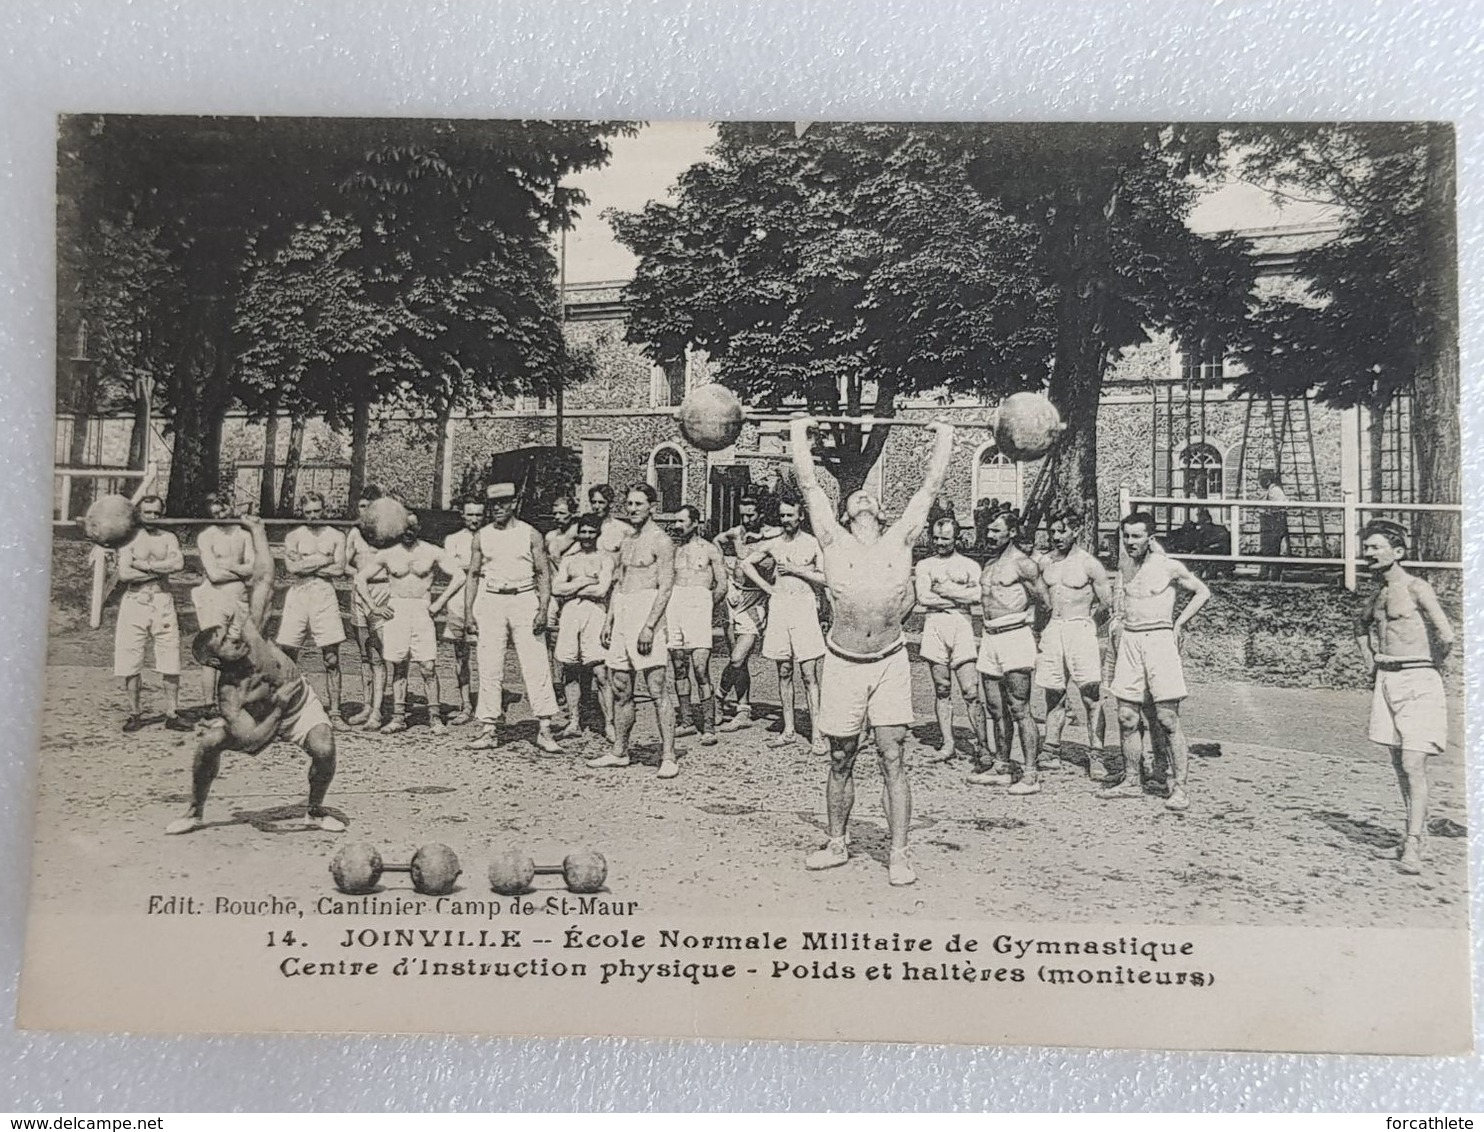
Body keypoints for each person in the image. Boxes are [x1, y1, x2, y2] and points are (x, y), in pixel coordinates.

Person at [792, 416, 954, 887]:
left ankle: (899, 853)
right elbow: (807, 481)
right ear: (844, 513)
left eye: (870, 497)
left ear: (882, 512)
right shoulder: (831, 538)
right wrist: (800, 433)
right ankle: (837, 842)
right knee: (841, 757)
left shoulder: (900, 538)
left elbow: (929, 487)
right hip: (842, 662)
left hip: (889, 662)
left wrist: (944, 437)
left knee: (893, 756)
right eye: (855, 496)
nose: (863, 497)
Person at [167, 514, 345, 835]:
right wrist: (276, 706)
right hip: (261, 717)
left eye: (226, 632)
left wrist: (258, 532)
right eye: (224, 642)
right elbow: (253, 740)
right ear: (217, 663)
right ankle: (194, 811)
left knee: (325, 747)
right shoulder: (230, 696)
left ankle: (315, 811)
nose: (233, 638)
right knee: (209, 743)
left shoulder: (250, 633)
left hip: (297, 704)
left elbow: (264, 579)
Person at [1355, 519, 1454, 876]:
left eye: (1375, 547)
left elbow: (1446, 635)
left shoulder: (1416, 588)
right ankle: (1414, 832)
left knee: (1414, 763)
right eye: (1366, 548)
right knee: (1399, 764)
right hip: (1386, 680)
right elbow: (1360, 627)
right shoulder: (1376, 593)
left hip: (1418, 679)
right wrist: (1371, 664)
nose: (1368, 553)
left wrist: (1428, 669)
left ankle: (1413, 843)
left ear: (1397, 552)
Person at [1100, 512, 1210, 811]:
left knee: (1167, 718)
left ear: (1150, 538)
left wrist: (1179, 624)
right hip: (1131, 642)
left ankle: (1180, 787)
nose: (1130, 542)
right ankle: (1132, 780)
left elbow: (1202, 592)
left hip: (1159, 641)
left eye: (1136, 536)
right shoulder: (1124, 564)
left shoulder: (1167, 566)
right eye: (1126, 536)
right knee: (1126, 717)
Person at [587, 483, 679, 779]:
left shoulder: (661, 541)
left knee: (656, 688)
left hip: (646, 612)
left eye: (639, 504)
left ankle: (668, 756)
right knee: (620, 688)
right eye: (629, 504)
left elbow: (665, 587)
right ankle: (619, 752)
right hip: (623, 612)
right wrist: (608, 621)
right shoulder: (626, 540)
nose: (633, 509)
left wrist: (650, 627)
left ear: (652, 506)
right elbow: (619, 584)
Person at [463, 482, 561, 753]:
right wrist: (469, 611)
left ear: (514, 503)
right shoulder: (482, 535)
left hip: (524, 598)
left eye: (504, 503)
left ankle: (544, 728)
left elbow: (543, 573)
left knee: (535, 661)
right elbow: (472, 575)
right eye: (494, 504)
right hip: (491, 598)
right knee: (489, 662)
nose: (498, 508)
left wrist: (543, 608)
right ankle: (488, 728)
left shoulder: (530, 534)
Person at [354, 513, 466, 734]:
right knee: (398, 665)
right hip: (397, 610)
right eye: (404, 527)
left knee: (428, 667)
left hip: (422, 610)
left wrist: (439, 603)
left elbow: (460, 575)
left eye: (412, 526)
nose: (408, 531)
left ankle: (434, 717)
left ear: (419, 527)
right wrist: (375, 607)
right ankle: (398, 717)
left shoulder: (431, 551)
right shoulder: (388, 554)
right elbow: (360, 579)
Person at [973, 509, 1052, 795]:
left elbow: (1045, 602)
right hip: (990, 638)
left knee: (1019, 707)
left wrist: (1033, 632)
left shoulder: (1024, 564)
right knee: (995, 707)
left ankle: (1031, 773)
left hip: (1015, 638)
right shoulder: (990, 564)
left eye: (996, 530)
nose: (990, 535)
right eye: (988, 530)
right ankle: (1002, 766)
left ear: (1012, 532)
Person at [743, 495, 828, 754]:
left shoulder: (813, 544)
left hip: (804, 609)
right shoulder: (774, 543)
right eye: (782, 515)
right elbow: (746, 564)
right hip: (781, 608)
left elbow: (825, 578)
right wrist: (768, 588)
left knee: (809, 674)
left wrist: (795, 570)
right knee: (784, 671)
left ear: (800, 516)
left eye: (790, 515)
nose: (786, 520)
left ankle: (818, 734)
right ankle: (789, 729)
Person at [1035, 507, 1114, 780]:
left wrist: (1088, 624)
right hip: (1053, 629)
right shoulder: (1045, 563)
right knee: (1054, 692)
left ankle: (1096, 755)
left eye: (1062, 531)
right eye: (1052, 531)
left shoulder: (1089, 564)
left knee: (1091, 695)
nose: (1056, 536)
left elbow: (1107, 603)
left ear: (1076, 530)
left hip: (1080, 628)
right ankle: (1051, 749)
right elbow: (1039, 603)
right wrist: (1039, 632)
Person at [913, 516, 987, 765]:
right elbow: (924, 597)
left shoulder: (969, 565)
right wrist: (959, 598)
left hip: (961, 625)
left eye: (945, 538)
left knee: (970, 690)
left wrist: (947, 592)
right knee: (942, 688)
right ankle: (948, 744)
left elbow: (979, 595)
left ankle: (983, 746)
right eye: (936, 538)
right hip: (934, 625)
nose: (940, 543)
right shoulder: (925, 565)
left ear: (957, 538)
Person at [115, 493, 189, 732]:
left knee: (170, 655)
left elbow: (178, 565)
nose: (152, 517)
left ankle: (172, 712)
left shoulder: (169, 538)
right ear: (139, 513)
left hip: (162, 599)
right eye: (148, 512)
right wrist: (160, 569)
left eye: (157, 512)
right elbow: (125, 574)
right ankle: (135, 713)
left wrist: (144, 565)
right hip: (135, 600)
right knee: (130, 658)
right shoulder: (128, 538)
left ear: (162, 513)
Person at [276, 492, 348, 727]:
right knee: (288, 656)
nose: (313, 517)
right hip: (299, 595)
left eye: (317, 511)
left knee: (331, 658)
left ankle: (335, 713)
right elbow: (292, 569)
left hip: (324, 594)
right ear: (302, 512)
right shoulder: (294, 536)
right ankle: (289, 712)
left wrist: (307, 564)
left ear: (324, 509)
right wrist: (325, 560)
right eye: (308, 513)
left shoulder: (336, 536)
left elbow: (339, 570)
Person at [714, 493, 778, 731]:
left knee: (737, 657)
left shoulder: (773, 536)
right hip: (734, 597)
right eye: (743, 514)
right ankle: (743, 709)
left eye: (751, 514)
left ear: (761, 514)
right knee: (739, 662)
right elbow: (717, 542)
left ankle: (718, 698)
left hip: (756, 600)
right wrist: (724, 572)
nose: (746, 519)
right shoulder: (736, 533)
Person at [551, 514, 616, 740]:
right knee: (570, 668)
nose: (587, 536)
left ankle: (609, 723)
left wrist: (572, 587)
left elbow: (602, 590)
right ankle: (574, 720)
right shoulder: (569, 560)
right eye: (583, 532)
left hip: (595, 612)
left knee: (600, 671)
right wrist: (585, 581)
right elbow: (556, 589)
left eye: (591, 532)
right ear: (577, 533)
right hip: (570, 613)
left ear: (598, 533)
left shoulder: (605, 559)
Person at [189, 491, 254, 713]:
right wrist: (240, 570)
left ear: (231, 505)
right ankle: (209, 705)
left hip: (239, 597)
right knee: (213, 651)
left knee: (236, 650)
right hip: (214, 596)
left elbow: (253, 569)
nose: (220, 516)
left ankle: (232, 703)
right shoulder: (206, 536)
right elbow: (214, 575)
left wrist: (230, 568)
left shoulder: (244, 535)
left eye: (223, 510)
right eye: (215, 513)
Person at [667, 504, 726, 746]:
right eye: (676, 522)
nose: (677, 526)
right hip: (676, 606)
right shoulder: (672, 551)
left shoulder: (710, 550)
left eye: (682, 521)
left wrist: (706, 606)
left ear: (695, 523)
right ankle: (687, 721)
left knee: (700, 668)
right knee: (679, 666)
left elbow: (722, 584)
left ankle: (709, 726)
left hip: (699, 607)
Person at [344, 485, 389, 730]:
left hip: (382, 592)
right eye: (360, 507)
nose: (364, 512)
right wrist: (359, 574)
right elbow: (343, 563)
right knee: (364, 654)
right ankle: (366, 705)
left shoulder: (388, 532)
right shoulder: (354, 533)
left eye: (368, 507)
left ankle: (378, 711)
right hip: (359, 593)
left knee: (379, 654)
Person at [440, 497, 485, 723]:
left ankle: (488, 706)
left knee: (486, 654)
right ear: (463, 515)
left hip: (484, 601)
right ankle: (465, 704)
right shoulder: (453, 540)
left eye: (478, 514)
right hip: (458, 601)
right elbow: (452, 569)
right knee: (461, 655)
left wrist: (469, 568)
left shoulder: (490, 537)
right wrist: (475, 567)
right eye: (470, 514)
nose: (474, 519)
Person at [545, 495, 581, 714]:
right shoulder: (550, 536)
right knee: (551, 639)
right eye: (555, 512)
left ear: (572, 513)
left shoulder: (579, 536)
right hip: (553, 592)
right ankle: (556, 685)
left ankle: (574, 688)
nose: (557, 517)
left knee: (571, 641)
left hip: (573, 592)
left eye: (562, 513)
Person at [1258, 470, 1289, 581]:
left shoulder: (1274, 491)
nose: (1259, 482)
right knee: (1268, 549)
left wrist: (1267, 512)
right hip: (1271, 523)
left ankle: (1271, 576)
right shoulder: (1271, 490)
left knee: (1271, 549)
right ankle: (1266, 574)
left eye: (1261, 480)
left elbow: (1279, 508)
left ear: (1267, 480)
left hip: (1273, 523)